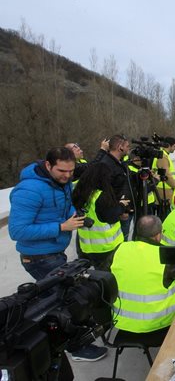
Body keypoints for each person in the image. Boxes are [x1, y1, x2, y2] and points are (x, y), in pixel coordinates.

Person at [8, 147, 107, 361]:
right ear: (48, 165)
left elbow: (64, 206)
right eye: (62, 170)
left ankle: (63, 340)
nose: (67, 175)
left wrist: (76, 216)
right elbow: (17, 231)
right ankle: (76, 349)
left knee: (62, 299)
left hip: (55, 253)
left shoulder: (60, 184)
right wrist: (61, 227)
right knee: (68, 302)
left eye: (71, 171)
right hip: (38, 257)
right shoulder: (30, 190)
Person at [111, 215, 175, 334]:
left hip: (122, 322)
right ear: (158, 235)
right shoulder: (166, 255)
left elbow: (103, 275)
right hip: (159, 324)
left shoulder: (121, 248)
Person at [72, 162, 127, 271]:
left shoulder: (79, 191)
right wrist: (121, 206)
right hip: (106, 247)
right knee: (107, 279)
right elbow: (111, 217)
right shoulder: (101, 196)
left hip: (87, 247)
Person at [99, 134, 133, 240]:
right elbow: (107, 192)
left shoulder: (119, 164)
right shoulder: (106, 165)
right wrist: (119, 209)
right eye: (127, 146)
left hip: (119, 210)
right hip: (109, 217)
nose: (129, 149)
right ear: (120, 147)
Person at [152, 136, 175, 205]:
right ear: (169, 146)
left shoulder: (163, 154)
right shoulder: (162, 156)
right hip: (164, 190)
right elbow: (167, 175)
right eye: (174, 146)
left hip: (165, 188)